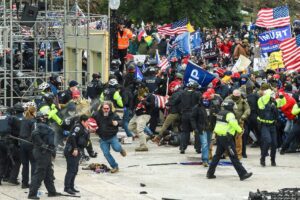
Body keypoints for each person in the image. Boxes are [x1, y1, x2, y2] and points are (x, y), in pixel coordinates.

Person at [206, 99, 253, 181]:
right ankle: (243, 174)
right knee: (233, 156)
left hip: (220, 137)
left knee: (217, 156)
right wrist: (240, 130)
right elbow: (233, 124)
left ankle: (210, 173)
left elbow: (217, 125)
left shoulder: (220, 113)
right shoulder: (230, 114)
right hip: (227, 138)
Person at [28, 112, 61, 199]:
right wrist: (42, 144)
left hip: (45, 152)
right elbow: (34, 134)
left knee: (49, 173)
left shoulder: (39, 125)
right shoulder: (40, 126)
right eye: (44, 117)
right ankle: (32, 194)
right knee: (40, 173)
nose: (46, 118)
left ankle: (52, 192)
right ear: (41, 118)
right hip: (42, 153)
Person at [93, 101, 126, 173]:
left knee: (116, 148)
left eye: (107, 108)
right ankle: (115, 166)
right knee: (106, 153)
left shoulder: (114, 115)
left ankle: (120, 149)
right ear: (101, 108)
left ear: (110, 108)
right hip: (103, 138)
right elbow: (91, 121)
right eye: (104, 108)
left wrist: (117, 123)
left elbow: (121, 122)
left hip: (112, 136)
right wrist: (92, 128)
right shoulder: (96, 114)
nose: (106, 110)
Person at [64, 115, 90, 195]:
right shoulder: (78, 127)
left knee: (75, 170)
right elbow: (72, 137)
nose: (88, 123)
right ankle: (67, 188)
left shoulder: (84, 128)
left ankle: (71, 186)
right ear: (83, 121)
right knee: (71, 170)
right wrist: (75, 148)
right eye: (87, 122)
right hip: (71, 150)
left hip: (77, 150)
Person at [257, 85, 278, 167]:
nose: (273, 97)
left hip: (272, 125)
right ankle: (262, 158)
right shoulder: (261, 100)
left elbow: (282, 102)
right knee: (268, 141)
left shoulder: (273, 102)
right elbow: (266, 97)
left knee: (274, 144)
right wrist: (271, 90)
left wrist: (281, 96)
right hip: (264, 125)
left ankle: (273, 159)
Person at [19, 104, 37, 189]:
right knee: (33, 163)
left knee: (25, 164)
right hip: (29, 143)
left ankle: (24, 183)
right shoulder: (33, 121)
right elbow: (34, 133)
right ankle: (33, 183)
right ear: (33, 112)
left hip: (22, 143)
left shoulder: (23, 119)